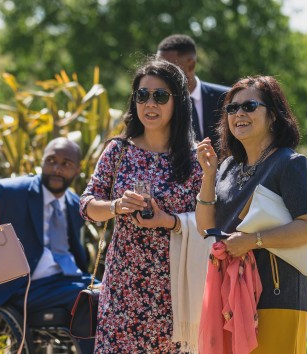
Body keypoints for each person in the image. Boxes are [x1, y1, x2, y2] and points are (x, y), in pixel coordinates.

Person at [195, 75, 307, 353]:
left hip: (276, 294)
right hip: (229, 296)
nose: (239, 113)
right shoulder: (228, 167)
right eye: (232, 108)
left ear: (274, 116)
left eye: (249, 106)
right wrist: (209, 176)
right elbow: (206, 227)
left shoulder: (289, 164)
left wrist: (253, 240)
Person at [79, 59, 203, 353]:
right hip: (123, 288)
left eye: (160, 96)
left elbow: (209, 220)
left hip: (175, 290)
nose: (150, 103)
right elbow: (86, 205)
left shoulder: (196, 158)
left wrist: (168, 220)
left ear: (178, 102)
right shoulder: (119, 150)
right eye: (142, 95)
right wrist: (116, 206)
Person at [0, 137, 94, 354]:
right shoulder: (8, 193)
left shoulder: (75, 203)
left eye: (66, 164)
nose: (57, 169)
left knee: (113, 290)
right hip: (24, 286)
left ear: (77, 170)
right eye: (51, 161)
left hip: (68, 281)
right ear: (42, 161)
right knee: (87, 298)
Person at [157, 33, 229, 148]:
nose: (160, 74)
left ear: (190, 65)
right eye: (158, 67)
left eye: (167, 68)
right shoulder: (155, 102)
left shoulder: (227, 98)